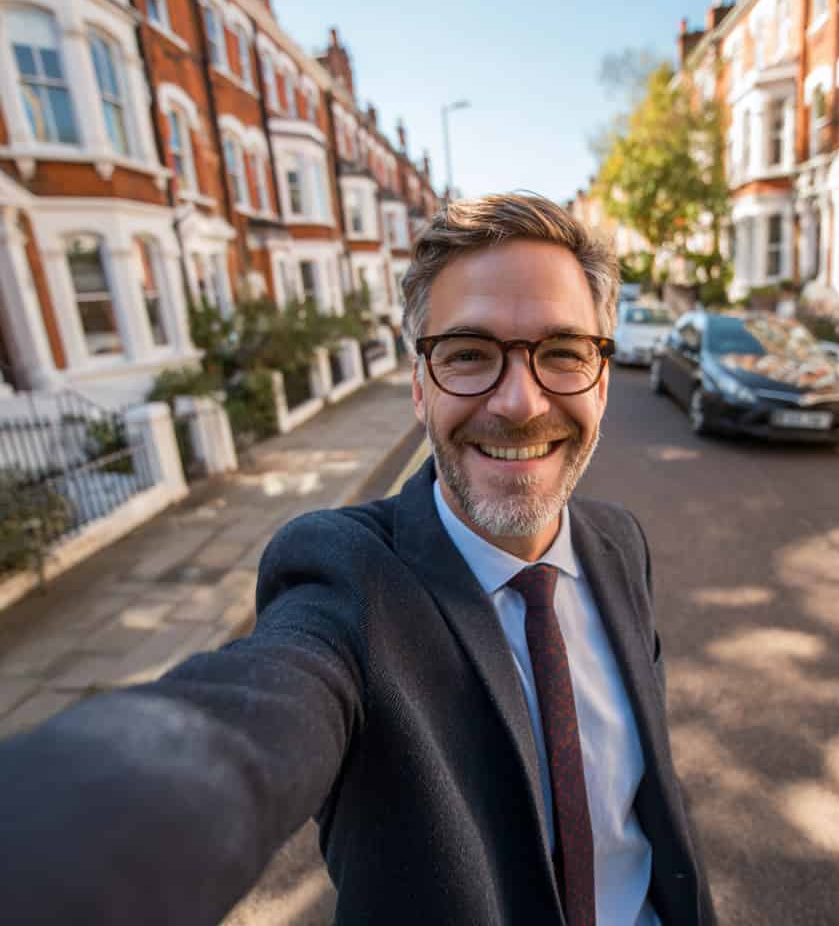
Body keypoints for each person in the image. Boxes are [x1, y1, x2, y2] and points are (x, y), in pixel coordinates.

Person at [0, 193, 716, 925]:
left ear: (600, 380)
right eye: (468, 354)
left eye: (562, 353)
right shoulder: (346, 583)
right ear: (418, 386)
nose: (521, 402)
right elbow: (250, 713)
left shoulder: (620, 543)